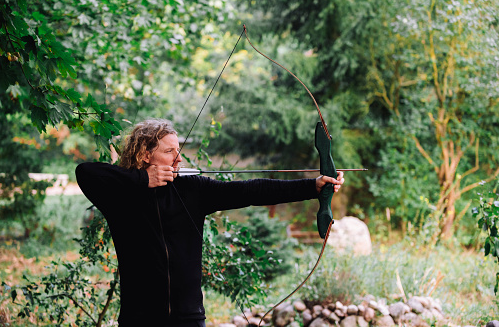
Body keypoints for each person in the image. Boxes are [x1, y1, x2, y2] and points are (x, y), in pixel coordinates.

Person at [76, 119, 345, 327]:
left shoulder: (192, 190)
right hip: (140, 319)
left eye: (178, 151)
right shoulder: (120, 197)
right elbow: (85, 172)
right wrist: (142, 180)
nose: (178, 159)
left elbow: (250, 191)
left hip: (189, 318)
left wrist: (312, 186)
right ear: (146, 154)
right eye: (170, 152)